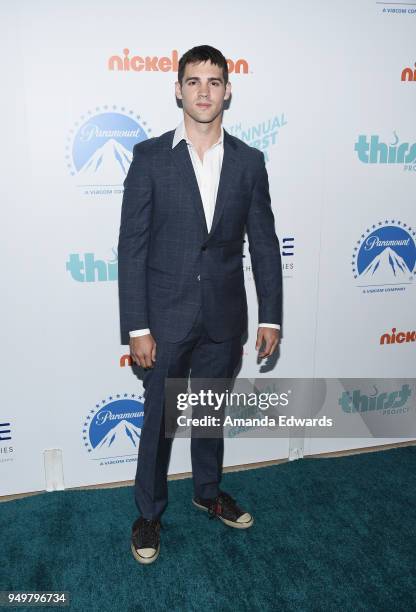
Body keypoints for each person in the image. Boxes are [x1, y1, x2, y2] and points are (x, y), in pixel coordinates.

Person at [118, 45, 283, 564]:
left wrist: (271, 315)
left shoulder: (249, 162)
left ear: (228, 90)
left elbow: (264, 243)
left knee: (210, 414)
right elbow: (133, 247)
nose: (204, 92)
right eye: (194, 82)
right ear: (178, 89)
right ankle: (149, 513)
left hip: (224, 315)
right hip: (163, 318)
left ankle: (207, 492)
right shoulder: (149, 158)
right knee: (160, 420)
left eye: (214, 82)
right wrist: (137, 326)